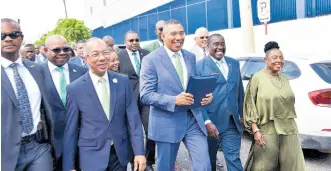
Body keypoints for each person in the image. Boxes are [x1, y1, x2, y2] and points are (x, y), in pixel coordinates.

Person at [62, 38, 146, 171]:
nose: (102, 58)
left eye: (105, 53)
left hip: (119, 153)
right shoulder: (75, 89)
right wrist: (69, 166)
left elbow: (133, 119)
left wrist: (140, 153)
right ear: (85, 58)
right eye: (95, 54)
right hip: (91, 155)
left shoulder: (122, 81)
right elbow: (71, 129)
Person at [139, 19, 213, 171]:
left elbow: (194, 84)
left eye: (181, 33)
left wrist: (205, 96)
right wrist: (174, 100)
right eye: (173, 34)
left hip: (193, 119)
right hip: (167, 121)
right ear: (163, 36)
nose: (178, 37)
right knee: (165, 167)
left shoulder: (190, 56)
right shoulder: (150, 60)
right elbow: (145, 94)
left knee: (203, 164)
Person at [1, 18, 55, 171]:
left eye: (13, 34)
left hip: (38, 146)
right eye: (2, 36)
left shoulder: (37, 69)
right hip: (4, 152)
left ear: (21, 38)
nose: (8, 39)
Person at [244, 41, 306, 171]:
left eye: (281, 58)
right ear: (266, 60)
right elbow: (250, 105)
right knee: (264, 166)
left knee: (292, 165)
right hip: (267, 129)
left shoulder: (284, 78)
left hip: (289, 129)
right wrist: (255, 130)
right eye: (274, 58)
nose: (279, 60)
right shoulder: (257, 78)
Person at [196, 33, 244, 171]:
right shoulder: (199, 66)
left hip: (232, 122)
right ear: (207, 46)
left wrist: (242, 115)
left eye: (222, 44)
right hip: (211, 122)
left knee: (233, 158)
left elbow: (239, 91)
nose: (220, 47)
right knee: (209, 161)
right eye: (216, 44)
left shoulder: (234, 63)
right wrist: (206, 121)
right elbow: (197, 98)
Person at [41, 35, 87, 171]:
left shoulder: (82, 72)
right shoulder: (37, 73)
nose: (62, 53)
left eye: (65, 49)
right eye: (56, 50)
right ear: (45, 51)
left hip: (80, 141)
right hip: (50, 144)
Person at [117, 30, 153, 171]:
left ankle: (148, 160)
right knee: (132, 131)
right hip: (128, 100)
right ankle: (134, 162)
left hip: (146, 98)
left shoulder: (147, 54)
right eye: (131, 40)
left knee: (151, 130)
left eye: (136, 40)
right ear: (125, 42)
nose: (134, 43)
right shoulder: (119, 57)